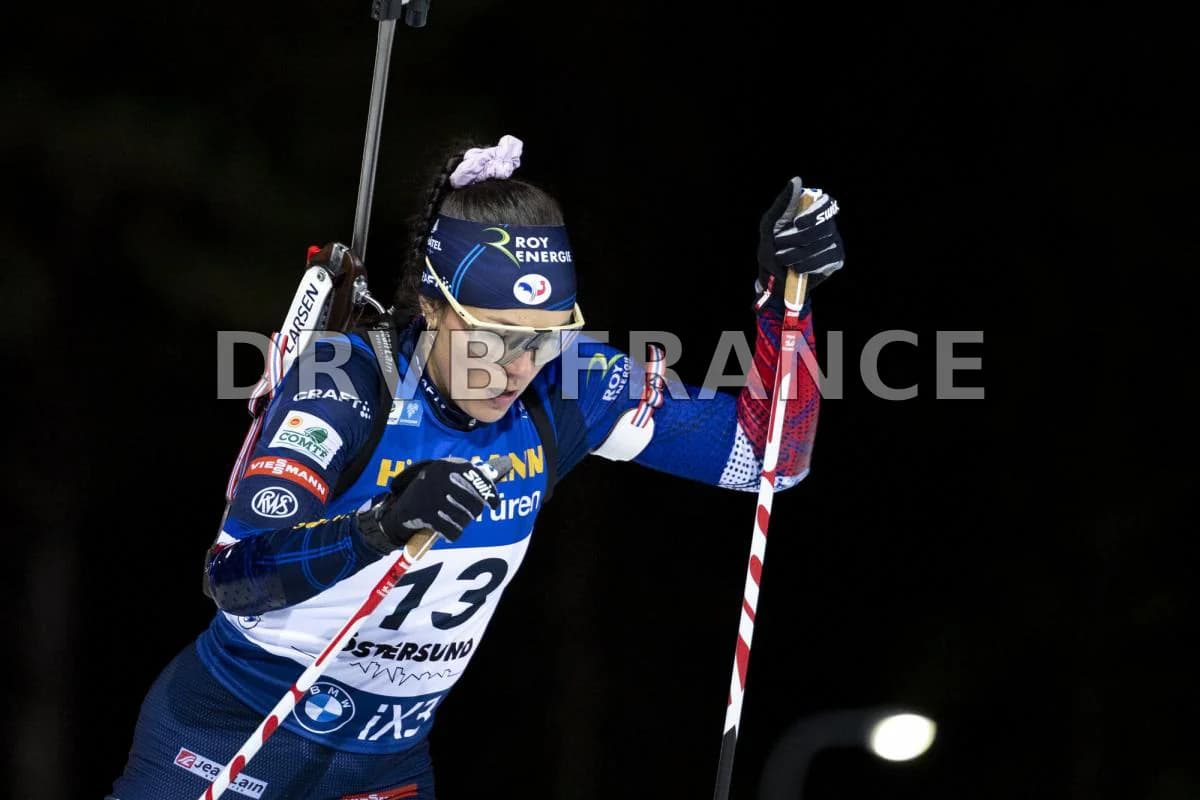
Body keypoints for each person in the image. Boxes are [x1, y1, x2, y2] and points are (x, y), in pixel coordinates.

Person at [108, 134, 845, 799]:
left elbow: (770, 457)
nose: (516, 366)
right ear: (432, 304)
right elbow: (233, 578)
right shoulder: (347, 386)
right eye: (491, 336)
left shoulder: (569, 384)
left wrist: (783, 302)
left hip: (382, 768)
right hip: (227, 734)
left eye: (542, 338)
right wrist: (380, 525)